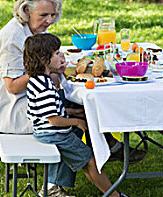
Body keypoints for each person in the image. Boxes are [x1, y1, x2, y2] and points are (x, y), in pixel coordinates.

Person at [0, 0, 144, 197]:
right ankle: (54, 185)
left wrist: (57, 69)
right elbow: (11, 86)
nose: (50, 21)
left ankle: (108, 147)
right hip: (13, 109)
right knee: (72, 117)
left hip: (30, 99)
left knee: (80, 105)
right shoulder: (13, 37)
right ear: (26, 10)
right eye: (44, 15)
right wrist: (44, 69)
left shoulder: (30, 29)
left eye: (53, 15)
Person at [24, 33, 129, 197]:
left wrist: (72, 112)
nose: (62, 55)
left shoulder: (37, 80)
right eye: (57, 53)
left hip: (47, 131)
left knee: (86, 153)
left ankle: (53, 187)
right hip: (54, 134)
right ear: (45, 60)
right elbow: (53, 120)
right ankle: (114, 195)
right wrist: (75, 122)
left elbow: (51, 110)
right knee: (90, 161)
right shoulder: (45, 87)